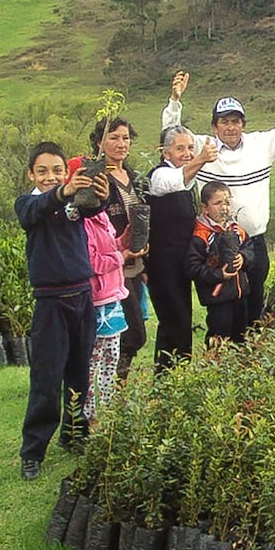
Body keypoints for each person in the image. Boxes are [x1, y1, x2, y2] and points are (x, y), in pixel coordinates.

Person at [162, 71, 275, 326]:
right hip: (216, 243)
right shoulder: (203, 147)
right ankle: (223, 357)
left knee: (253, 306)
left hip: (253, 243)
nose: (231, 127)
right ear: (214, 126)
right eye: (224, 122)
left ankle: (249, 358)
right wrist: (175, 101)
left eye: (235, 121)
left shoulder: (261, 144)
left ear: (243, 124)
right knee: (223, 311)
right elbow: (171, 134)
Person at [14, 141, 108, 481]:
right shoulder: (27, 203)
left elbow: (96, 208)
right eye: (42, 171)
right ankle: (32, 451)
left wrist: (101, 191)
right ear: (31, 174)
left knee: (79, 372)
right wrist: (62, 191)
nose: (50, 176)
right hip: (50, 302)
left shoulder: (75, 203)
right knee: (46, 378)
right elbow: (34, 211)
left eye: (57, 170)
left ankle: (75, 435)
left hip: (82, 296)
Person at [71, 118, 150, 378]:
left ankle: (115, 383)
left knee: (135, 329)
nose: (121, 143)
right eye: (114, 137)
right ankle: (112, 385)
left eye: (125, 138)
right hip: (110, 265)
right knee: (128, 331)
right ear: (99, 142)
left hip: (134, 263)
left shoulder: (136, 178)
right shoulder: (96, 179)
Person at [146, 125, 216, 372]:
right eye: (179, 149)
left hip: (182, 263)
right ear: (165, 153)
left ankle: (176, 379)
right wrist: (201, 159)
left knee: (182, 322)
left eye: (189, 147)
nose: (186, 153)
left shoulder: (188, 176)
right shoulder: (159, 176)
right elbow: (176, 180)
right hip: (162, 264)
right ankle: (169, 381)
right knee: (174, 323)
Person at [186, 182, 253, 345]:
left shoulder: (236, 229)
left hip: (239, 293)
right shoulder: (201, 235)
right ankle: (215, 365)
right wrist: (218, 275)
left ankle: (239, 366)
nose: (224, 208)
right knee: (220, 333)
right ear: (205, 208)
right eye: (218, 203)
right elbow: (192, 267)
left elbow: (250, 249)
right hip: (217, 298)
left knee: (241, 334)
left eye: (227, 202)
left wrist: (243, 258)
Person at [83, 207, 127, 423]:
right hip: (97, 299)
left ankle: (110, 410)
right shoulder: (83, 223)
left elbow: (111, 246)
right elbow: (92, 263)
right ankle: (89, 416)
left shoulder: (101, 216)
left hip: (113, 297)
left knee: (112, 356)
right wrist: (122, 256)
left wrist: (124, 239)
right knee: (92, 361)